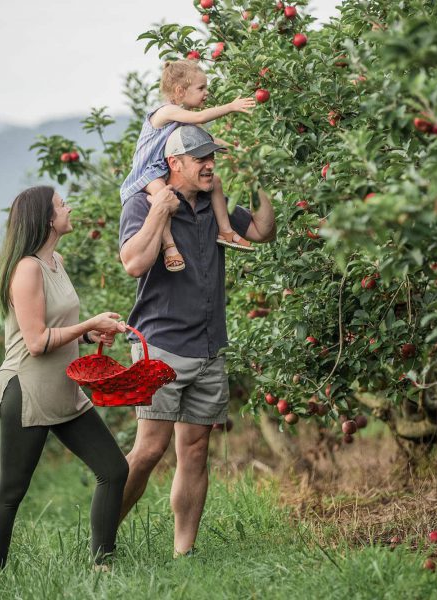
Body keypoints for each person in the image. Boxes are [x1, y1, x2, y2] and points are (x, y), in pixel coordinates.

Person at [118, 125, 276, 557]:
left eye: (212, 158)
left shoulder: (214, 205)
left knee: (196, 448)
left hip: (208, 345)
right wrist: (160, 212)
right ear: (174, 164)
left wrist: (262, 178)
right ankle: (104, 535)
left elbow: (263, 231)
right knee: (150, 448)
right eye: (200, 159)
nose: (209, 166)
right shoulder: (143, 202)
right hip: (160, 343)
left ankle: (183, 554)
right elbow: (133, 263)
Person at [0, 185, 128, 571]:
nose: (69, 208)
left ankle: (103, 565)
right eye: (62, 204)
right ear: (48, 219)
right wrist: (89, 322)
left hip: (64, 388)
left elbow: (56, 325)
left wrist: (88, 334)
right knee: (12, 490)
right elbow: (36, 341)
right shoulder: (27, 268)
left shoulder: (55, 261)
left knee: (114, 470)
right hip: (27, 390)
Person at [120, 58, 257, 273]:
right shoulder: (166, 112)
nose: (206, 93)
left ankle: (226, 231)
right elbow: (201, 115)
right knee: (163, 199)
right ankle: (169, 246)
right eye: (201, 88)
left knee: (217, 182)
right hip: (147, 172)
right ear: (179, 90)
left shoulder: (185, 120)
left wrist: (239, 152)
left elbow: (210, 140)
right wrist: (231, 107)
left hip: (166, 169)